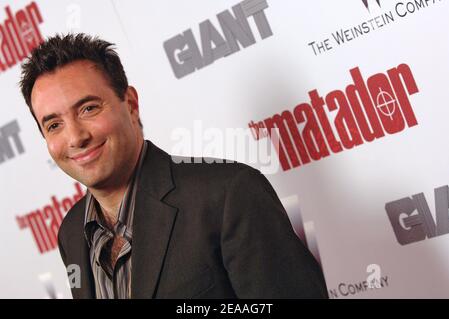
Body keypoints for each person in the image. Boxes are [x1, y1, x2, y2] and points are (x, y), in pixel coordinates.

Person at [19, 33, 328, 299]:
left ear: (130, 103)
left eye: (88, 108)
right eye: (54, 124)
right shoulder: (72, 231)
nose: (76, 137)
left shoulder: (228, 195)